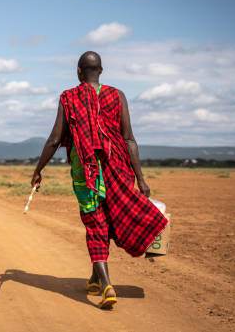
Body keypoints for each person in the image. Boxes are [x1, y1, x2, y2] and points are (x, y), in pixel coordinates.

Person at [31, 51, 168, 309]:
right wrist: (141, 179)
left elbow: (54, 139)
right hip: (119, 169)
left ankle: (106, 285)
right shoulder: (117, 95)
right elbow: (129, 139)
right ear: (101, 71)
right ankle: (95, 279)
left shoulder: (69, 97)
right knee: (107, 221)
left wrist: (39, 169)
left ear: (79, 73)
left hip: (86, 173)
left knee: (96, 224)